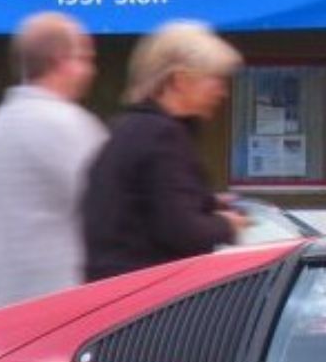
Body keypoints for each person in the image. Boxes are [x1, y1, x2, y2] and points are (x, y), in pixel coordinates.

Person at [82, 21, 250, 282]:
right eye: (215, 80)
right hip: (148, 301)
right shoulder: (163, 136)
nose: (223, 92)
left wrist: (206, 201)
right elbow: (182, 230)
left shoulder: (125, 129)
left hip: (111, 293)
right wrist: (228, 224)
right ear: (180, 80)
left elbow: (152, 206)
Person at [0, 12, 107, 309]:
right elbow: (112, 212)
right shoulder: (70, 126)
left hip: (5, 313)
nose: (91, 70)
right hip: (73, 311)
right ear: (59, 60)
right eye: (84, 58)